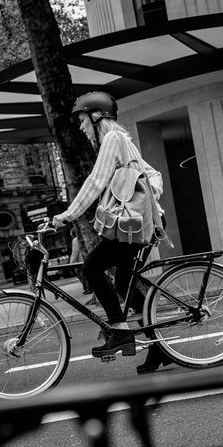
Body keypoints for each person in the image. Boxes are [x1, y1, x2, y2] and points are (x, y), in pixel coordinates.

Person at [51, 91, 173, 374]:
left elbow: (95, 182)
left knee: (92, 267)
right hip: (136, 226)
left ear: (96, 117)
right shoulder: (123, 141)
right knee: (122, 284)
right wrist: (144, 192)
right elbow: (154, 174)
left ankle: (119, 330)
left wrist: (67, 216)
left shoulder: (112, 139)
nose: (81, 128)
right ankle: (158, 347)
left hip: (136, 226)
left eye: (82, 120)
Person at [68, 225, 91, 295]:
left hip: (80, 261)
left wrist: (71, 262)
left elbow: (75, 252)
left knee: (82, 275)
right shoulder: (84, 237)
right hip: (86, 259)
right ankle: (88, 288)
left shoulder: (75, 240)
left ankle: (87, 288)